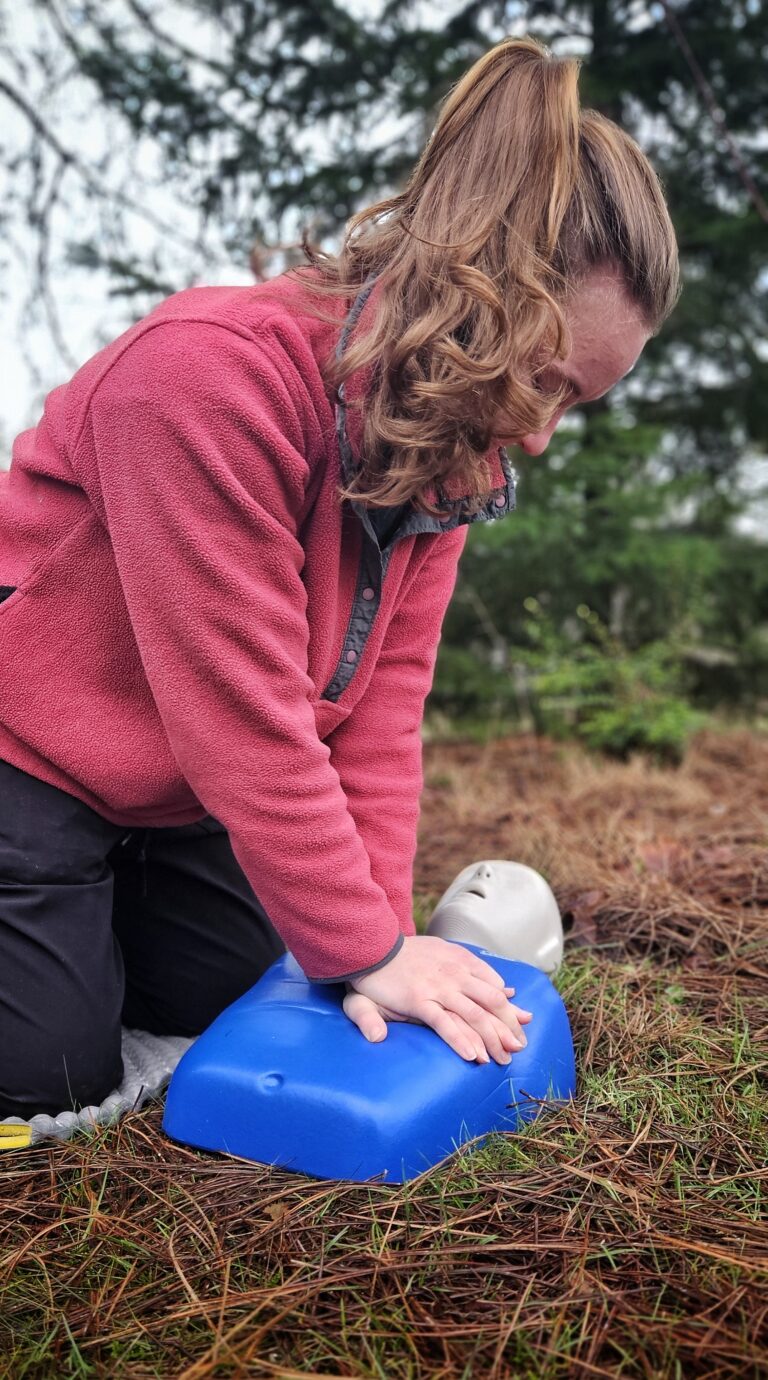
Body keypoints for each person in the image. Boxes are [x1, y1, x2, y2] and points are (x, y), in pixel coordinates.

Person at [0, 36, 678, 1121]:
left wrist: (383, 941)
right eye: (548, 383)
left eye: (577, 405)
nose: (545, 437)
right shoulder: (204, 381)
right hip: (26, 751)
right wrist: (361, 944)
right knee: (44, 1073)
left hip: (168, 793)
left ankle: (92, 919)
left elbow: (380, 714)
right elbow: (246, 713)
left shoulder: (449, 456)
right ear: (481, 287)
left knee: (256, 984)